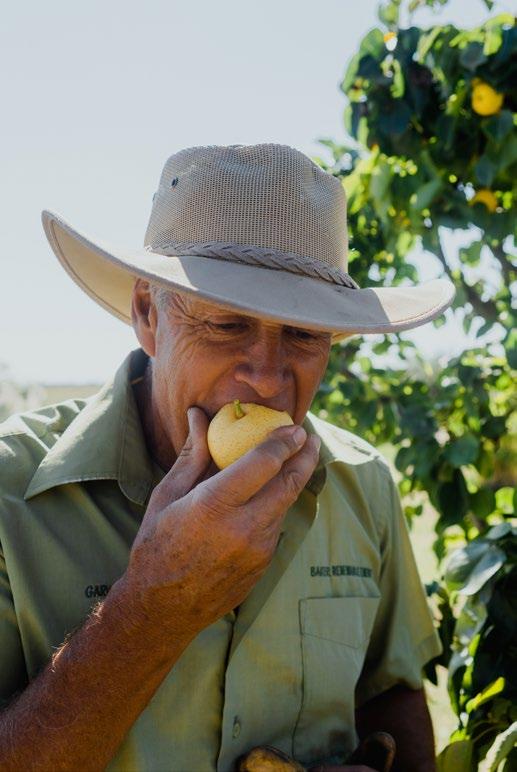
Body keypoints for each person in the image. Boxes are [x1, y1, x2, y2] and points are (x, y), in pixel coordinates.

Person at [0, 143, 455, 772]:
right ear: (147, 314)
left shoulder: (362, 484)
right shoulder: (11, 493)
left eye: (303, 334)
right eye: (226, 325)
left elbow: (391, 696)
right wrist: (153, 608)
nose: (267, 378)